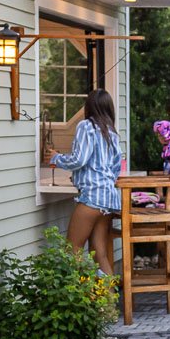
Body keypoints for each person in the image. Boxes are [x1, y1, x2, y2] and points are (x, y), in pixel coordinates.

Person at [51, 88, 123, 272]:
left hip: (92, 196)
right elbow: (116, 168)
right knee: (99, 253)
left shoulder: (87, 126)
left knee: (72, 250)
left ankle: (77, 297)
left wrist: (56, 158)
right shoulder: (111, 133)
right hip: (108, 198)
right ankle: (108, 299)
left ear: (89, 107)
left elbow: (79, 159)